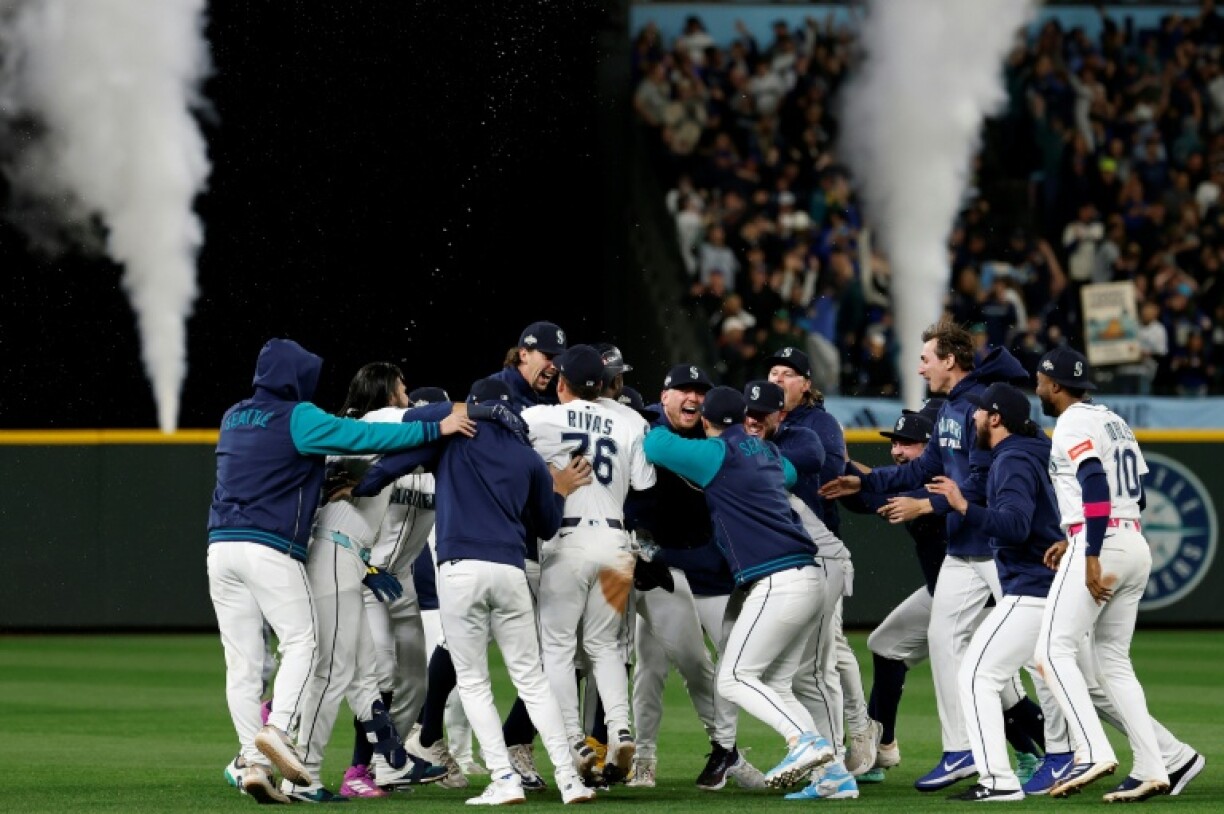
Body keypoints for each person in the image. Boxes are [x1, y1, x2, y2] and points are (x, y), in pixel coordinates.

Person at [206, 339, 474, 804]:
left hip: (222, 545)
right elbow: (366, 437)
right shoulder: (304, 417)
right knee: (315, 655)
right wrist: (444, 424)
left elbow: (304, 459)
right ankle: (289, 750)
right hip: (286, 546)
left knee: (254, 665)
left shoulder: (234, 416)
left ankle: (256, 759)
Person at [820, 321, 1054, 793]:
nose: (920, 367)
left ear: (950, 360)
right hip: (964, 550)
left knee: (1044, 657)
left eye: (926, 358)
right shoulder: (951, 407)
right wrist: (866, 481)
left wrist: (929, 505)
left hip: (995, 548)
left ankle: (1067, 749)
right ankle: (961, 750)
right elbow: (926, 468)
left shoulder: (978, 407)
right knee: (944, 640)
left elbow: (984, 481)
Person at [644, 386, 839, 794]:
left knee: (733, 678)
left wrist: (656, 414)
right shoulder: (767, 453)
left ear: (706, 420)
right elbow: (790, 473)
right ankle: (834, 777)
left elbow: (655, 444)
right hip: (810, 577)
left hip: (779, 580)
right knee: (778, 684)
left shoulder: (716, 453)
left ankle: (803, 742)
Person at [1033, 348, 1200, 802]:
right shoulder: (1114, 421)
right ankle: (1153, 767)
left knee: (1051, 651)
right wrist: (1079, 536)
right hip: (1133, 543)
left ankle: (1092, 750)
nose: (1037, 387)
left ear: (1056, 385)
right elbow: (1137, 498)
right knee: (1113, 663)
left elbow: (1093, 480)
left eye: (1041, 380)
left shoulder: (1071, 423)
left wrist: (1088, 550)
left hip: (1101, 543)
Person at [524, 344, 656, 785]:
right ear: (601, 384)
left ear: (561, 381)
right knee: (606, 646)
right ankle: (620, 730)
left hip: (568, 541)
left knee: (558, 647)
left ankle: (574, 740)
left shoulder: (541, 418)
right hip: (617, 544)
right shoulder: (630, 420)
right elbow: (644, 483)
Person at [925, 382, 1062, 802]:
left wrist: (963, 506)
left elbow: (1015, 526)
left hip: (1032, 586)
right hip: (1049, 583)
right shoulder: (1029, 451)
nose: (975, 419)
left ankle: (999, 780)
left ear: (996, 418)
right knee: (1095, 684)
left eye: (981, 413)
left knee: (975, 675)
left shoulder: (1013, 459)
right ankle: (1169, 757)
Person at [628, 365, 763, 791]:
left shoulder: (716, 439)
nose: (693, 397)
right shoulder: (644, 426)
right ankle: (644, 758)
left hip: (710, 570)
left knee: (718, 666)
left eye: (700, 392)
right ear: (664, 396)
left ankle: (726, 750)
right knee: (649, 667)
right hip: (658, 570)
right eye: (683, 390)